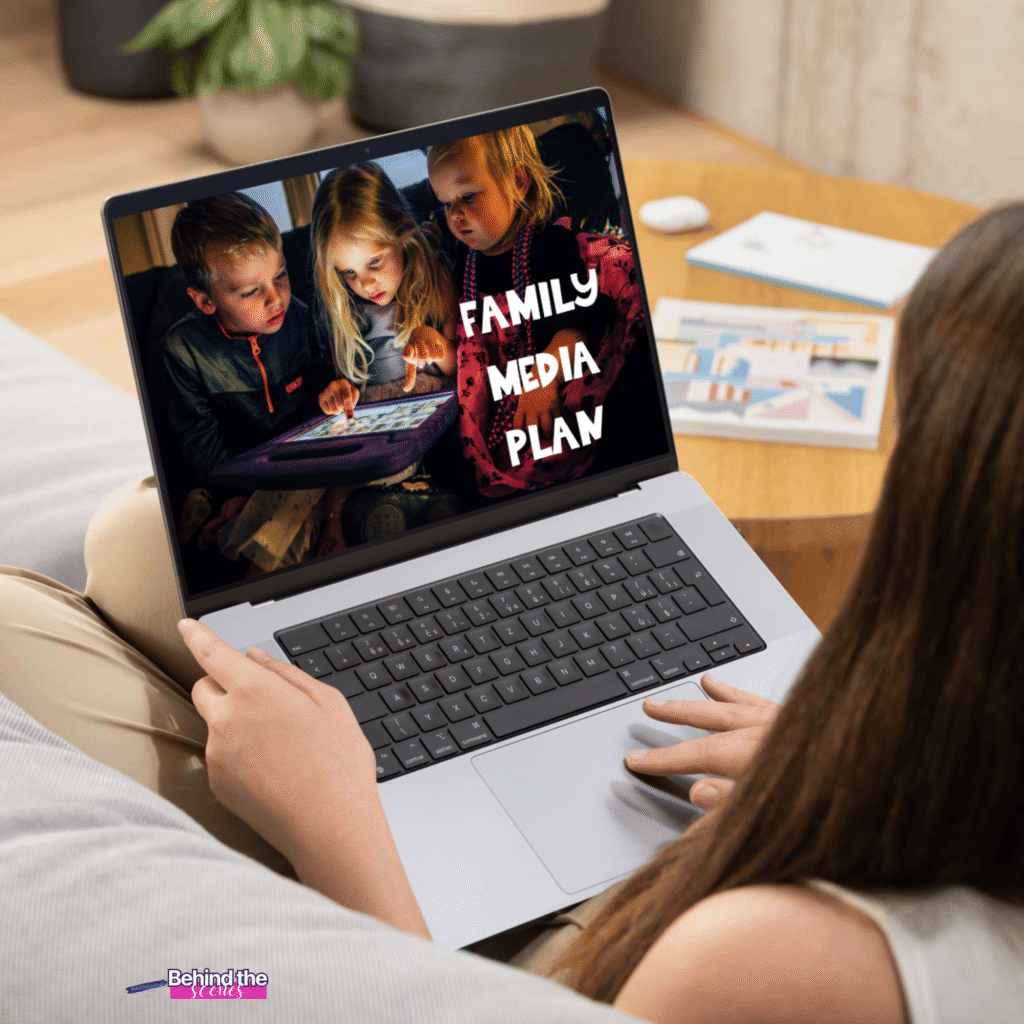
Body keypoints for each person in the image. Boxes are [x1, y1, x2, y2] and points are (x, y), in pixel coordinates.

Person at [177, 203, 1024, 1022]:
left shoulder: (779, 963)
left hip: (475, 958)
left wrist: (337, 831)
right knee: (135, 550)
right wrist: (843, 774)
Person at [425, 128, 636, 498]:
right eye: (446, 204)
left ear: (519, 182)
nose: (455, 216)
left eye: (468, 197)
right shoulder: (463, 263)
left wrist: (544, 377)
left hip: (553, 374)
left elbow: (578, 318)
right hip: (498, 397)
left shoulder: (548, 246)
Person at [306, 163, 458, 551]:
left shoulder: (434, 277)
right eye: (349, 273)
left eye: (374, 262)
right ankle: (333, 527)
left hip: (426, 415)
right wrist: (338, 393)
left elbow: (461, 366)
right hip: (373, 420)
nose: (365, 283)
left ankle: (385, 511)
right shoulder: (347, 310)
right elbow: (349, 383)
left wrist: (435, 344)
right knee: (329, 461)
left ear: (403, 233)